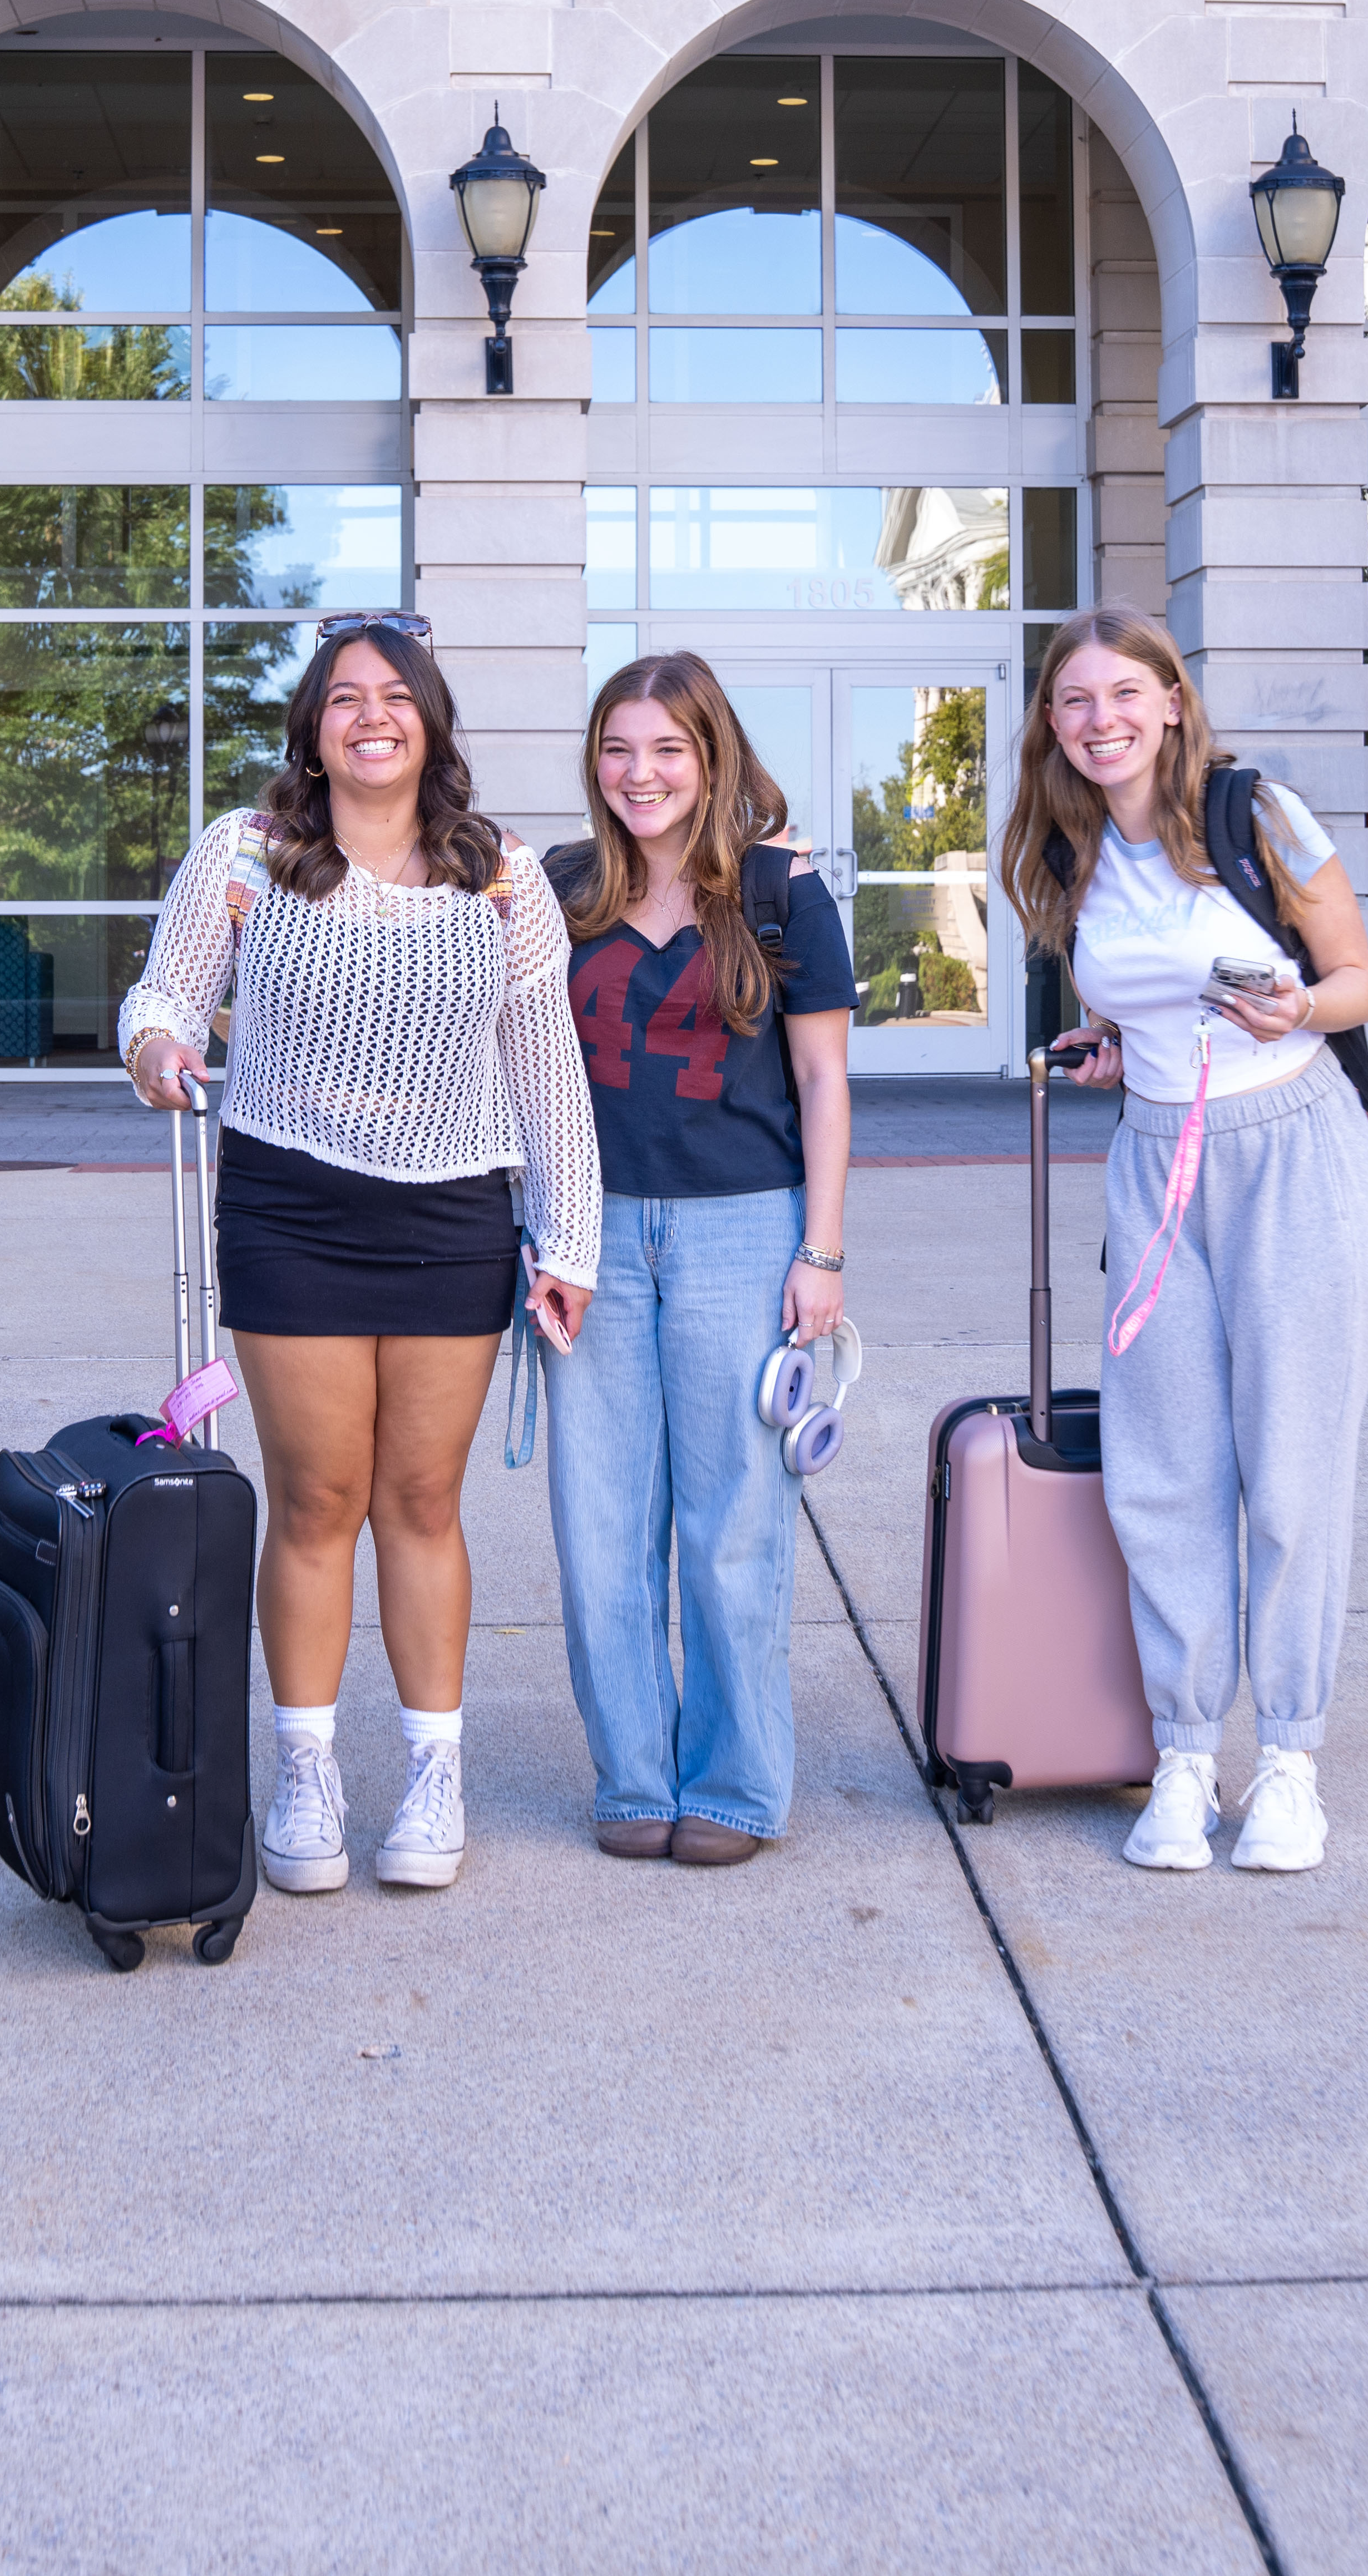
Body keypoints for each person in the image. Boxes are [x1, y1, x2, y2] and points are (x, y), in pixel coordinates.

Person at [124, 618, 596, 1899]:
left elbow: (547, 1067)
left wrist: (570, 1237)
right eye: (345, 698)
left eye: (395, 697)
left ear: (430, 720)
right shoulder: (252, 851)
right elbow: (162, 995)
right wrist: (159, 1051)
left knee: (422, 1505)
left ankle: (436, 1775)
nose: (371, 716)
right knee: (320, 1497)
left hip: (453, 1215)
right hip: (292, 1205)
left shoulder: (499, 874)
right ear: (313, 726)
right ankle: (308, 1768)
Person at [993, 605, 1368, 1878]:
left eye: (1123, 695)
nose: (1099, 721)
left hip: (1292, 1150)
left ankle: (1287, 1759)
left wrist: (1299, 1011)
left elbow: (1360, 984)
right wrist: (1123, 1047)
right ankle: (1179, 1752)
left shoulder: (1256, 815)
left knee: (1289, 1468)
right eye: (1073, 702)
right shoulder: (1069, 852)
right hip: (1156, 1158)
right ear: (1051, 724)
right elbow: (1145, 994)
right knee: (1160, 1469)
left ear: (1172, 701)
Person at [546, 653, 858, 1868]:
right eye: (618, 750)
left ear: (711, 755)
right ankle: (632, 1772)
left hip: (745, 1227)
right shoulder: (560, 891)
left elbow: (826, 1079)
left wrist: (821, 1251)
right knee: (601, 1520)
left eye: (667, 749)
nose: (641, 773)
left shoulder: (781, 895)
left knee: (734, 1519)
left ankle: (733, 1785)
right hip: (593, 1232)